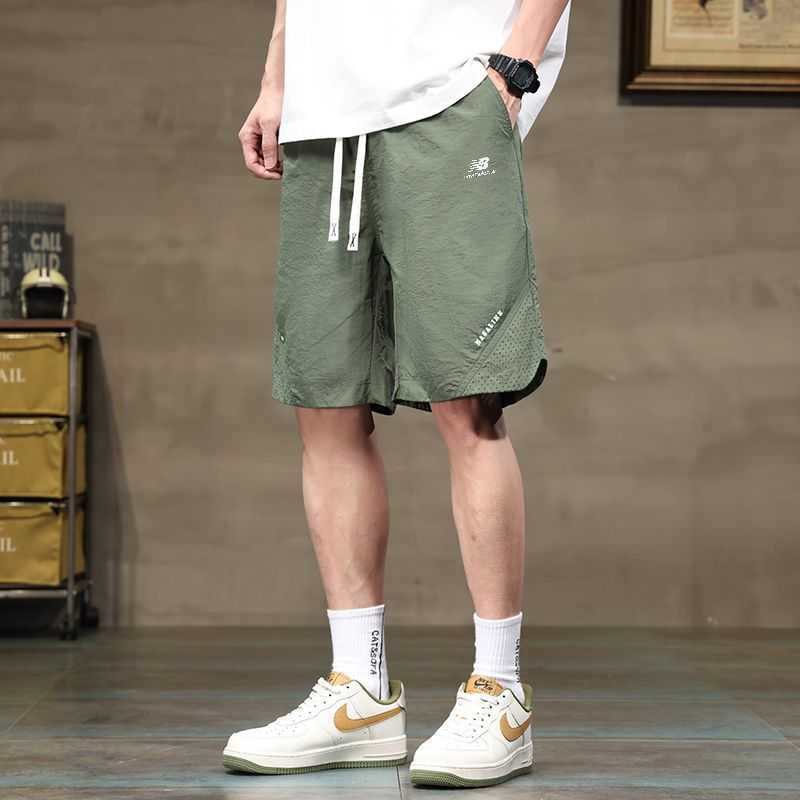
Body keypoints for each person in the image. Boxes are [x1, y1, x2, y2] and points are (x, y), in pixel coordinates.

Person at [224, 0, 571, 788]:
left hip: (449, 92)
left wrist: (514, 66)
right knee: (325, 400)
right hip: (325, 111)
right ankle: (361, 691)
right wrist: (278, 76)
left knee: (467, 398)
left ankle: (500, 691)